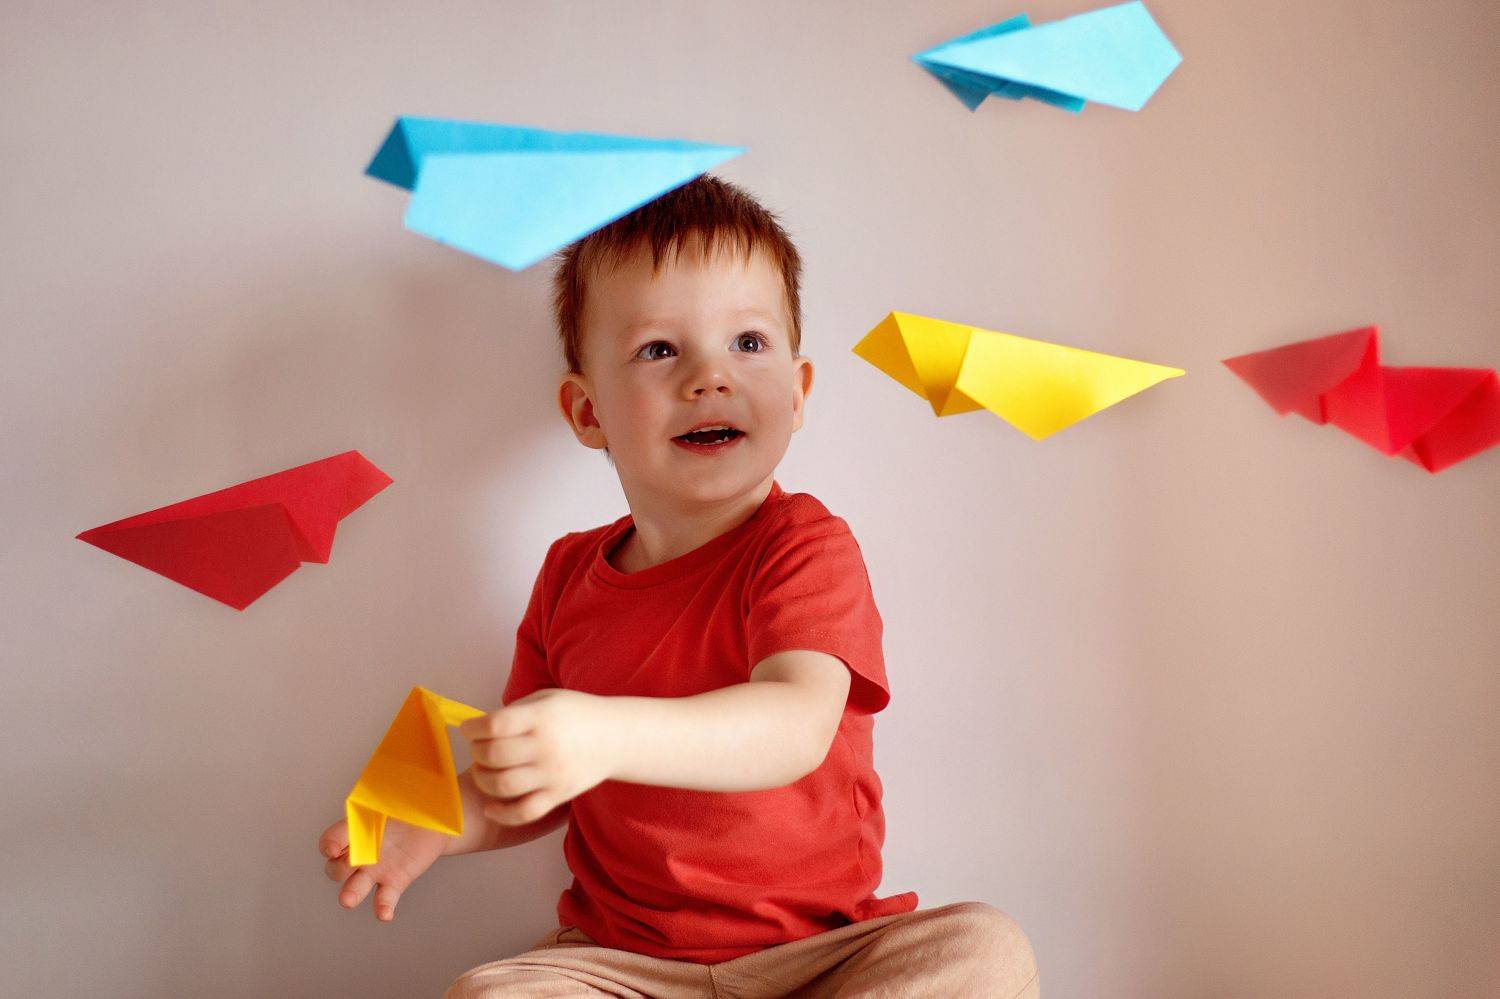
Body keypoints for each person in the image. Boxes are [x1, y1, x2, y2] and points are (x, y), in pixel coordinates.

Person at [319, 176, 1040, 998]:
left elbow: (794, 725)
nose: (710, 376)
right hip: (626, 965)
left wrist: (603, 735)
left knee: (984, 947)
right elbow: (532, 778)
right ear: (587, 412)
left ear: (797, 392)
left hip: (822, 959)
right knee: (492, 994)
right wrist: (435, 821)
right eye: (660, 349)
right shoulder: (566, 576)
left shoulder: (804, 547)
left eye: (748, 342)